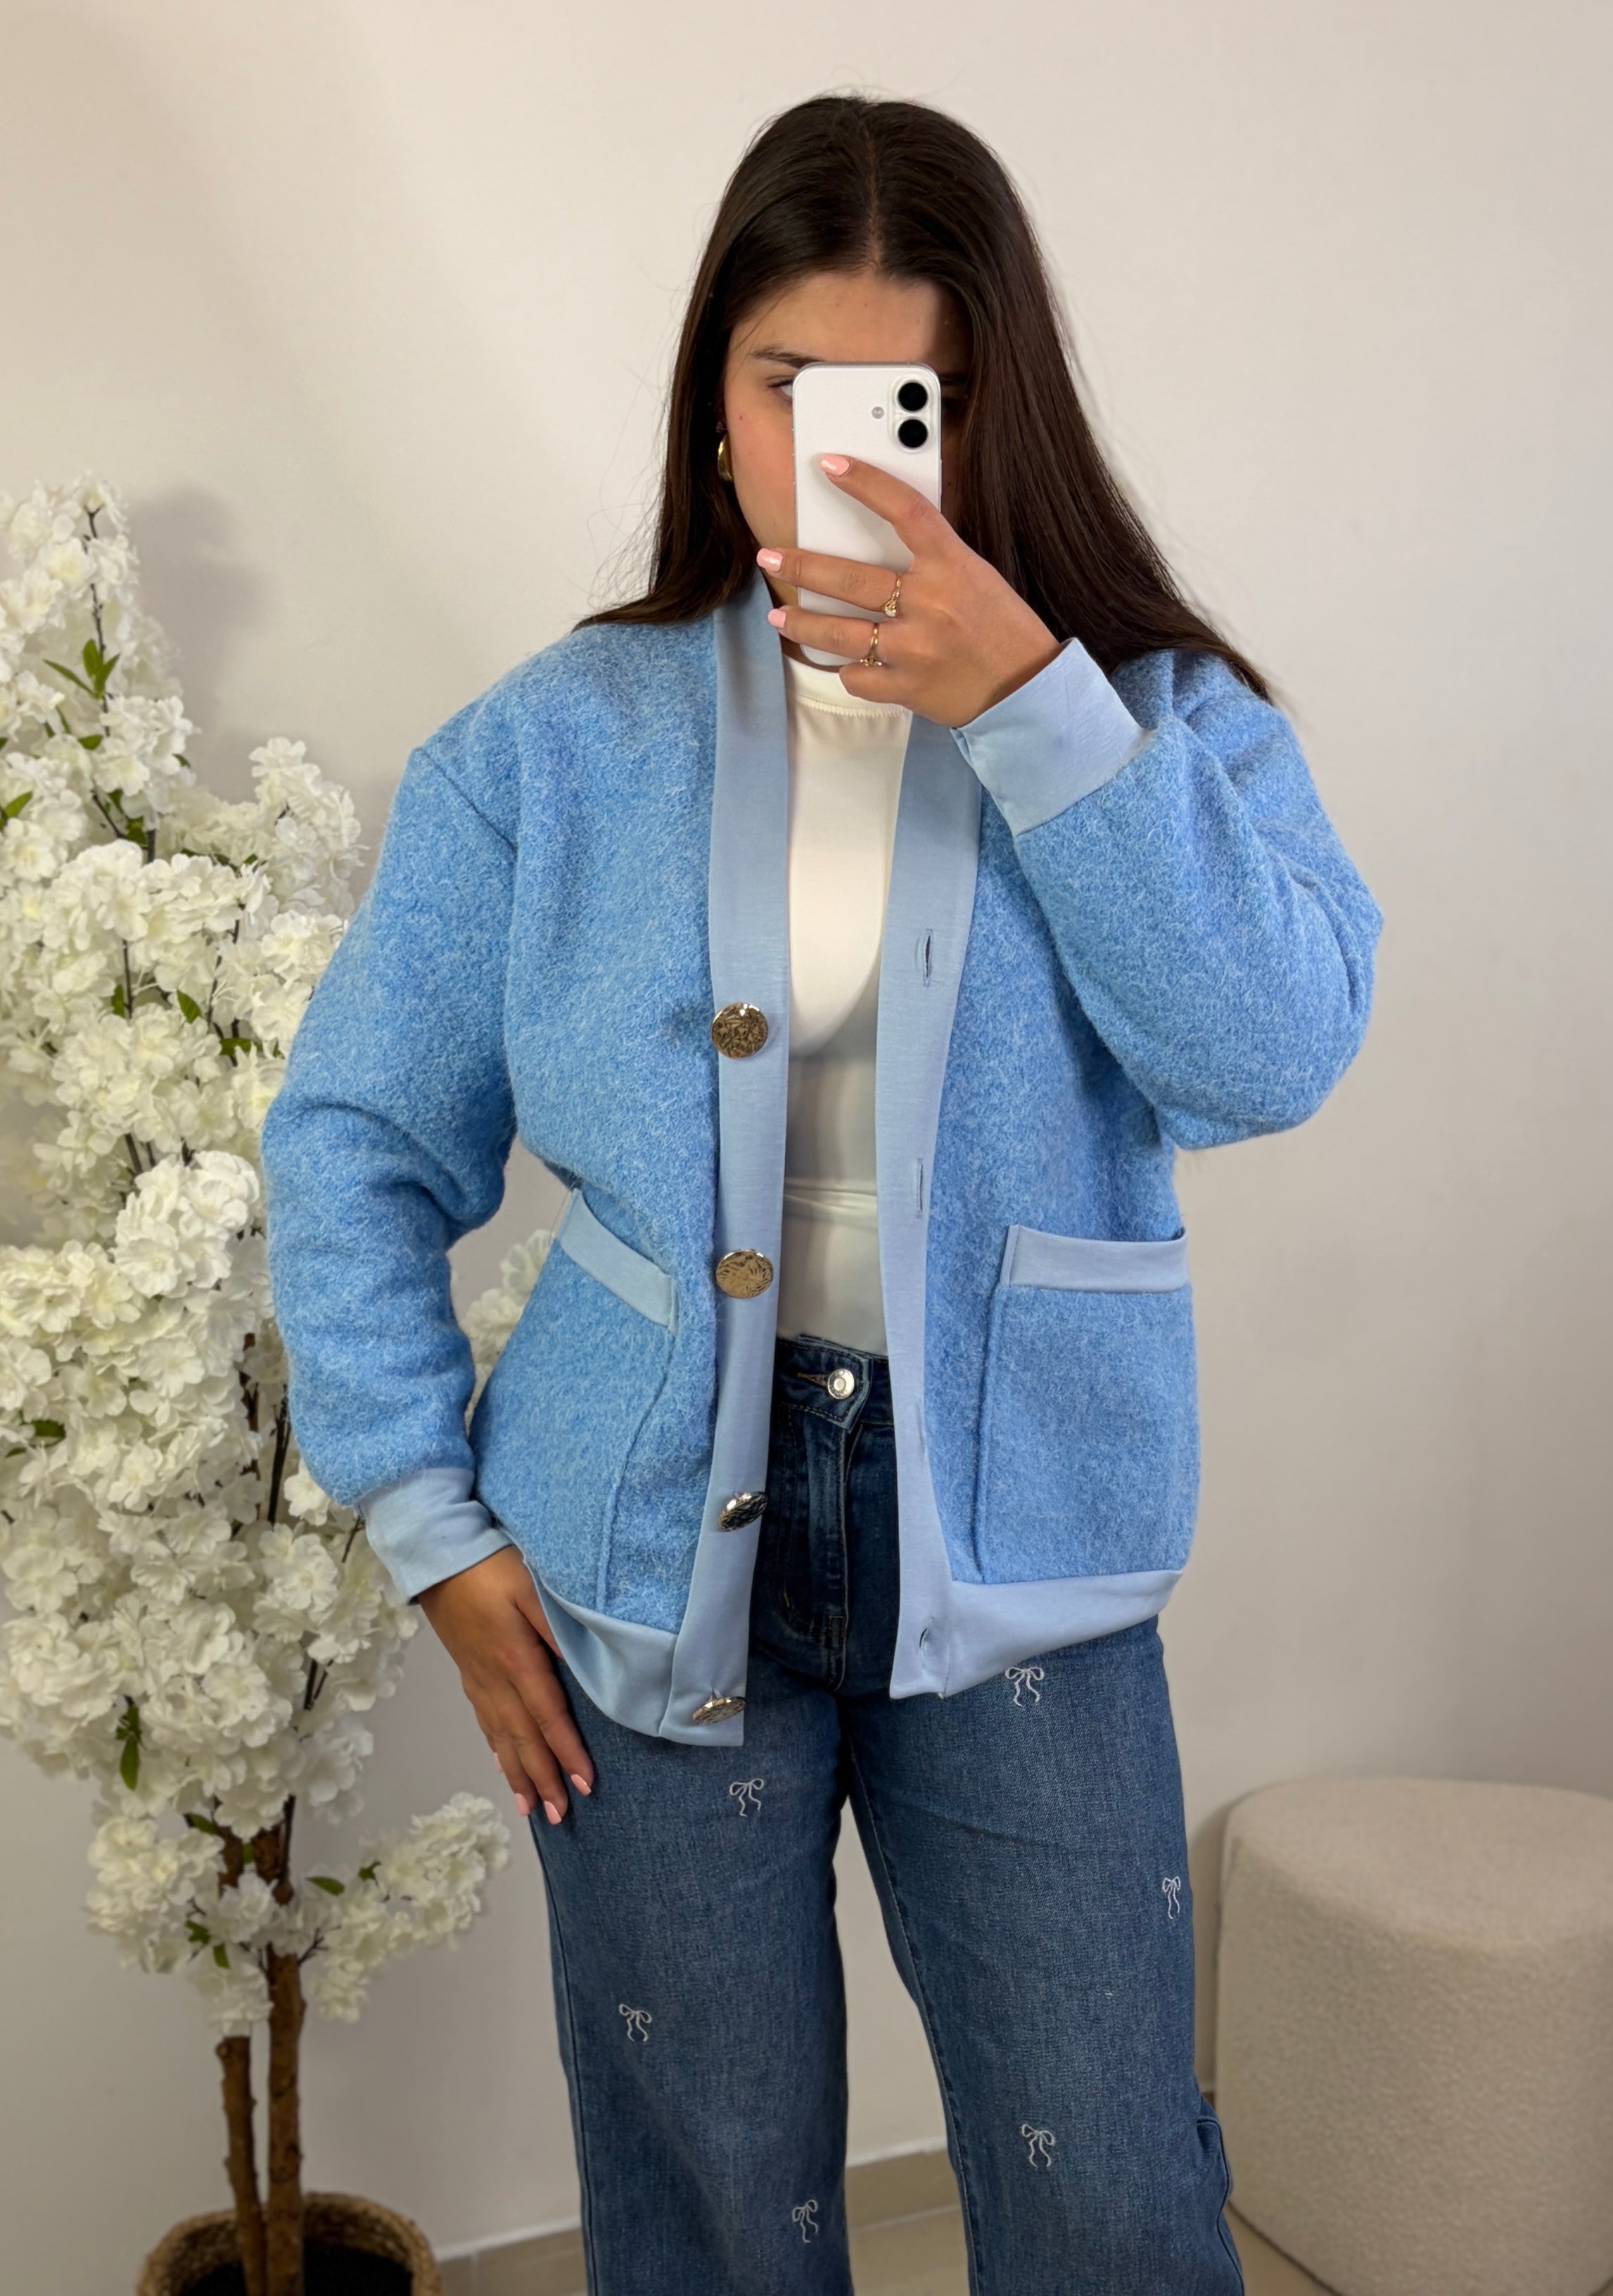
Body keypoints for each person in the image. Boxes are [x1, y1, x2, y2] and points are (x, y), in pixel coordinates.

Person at [262, 91, 1379, 2296]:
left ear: (991, 412)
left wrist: (1033, 706)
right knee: (708, 2200)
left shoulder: (1149, 720)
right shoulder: (552, 745)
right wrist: (428, 1524)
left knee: (1109, 2188)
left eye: (908, 399)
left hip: (1023, 1530)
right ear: (714, 406)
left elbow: (1268, 1054)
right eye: (791, 385)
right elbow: (354, 1139)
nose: (842, 449)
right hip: (631, 1545)